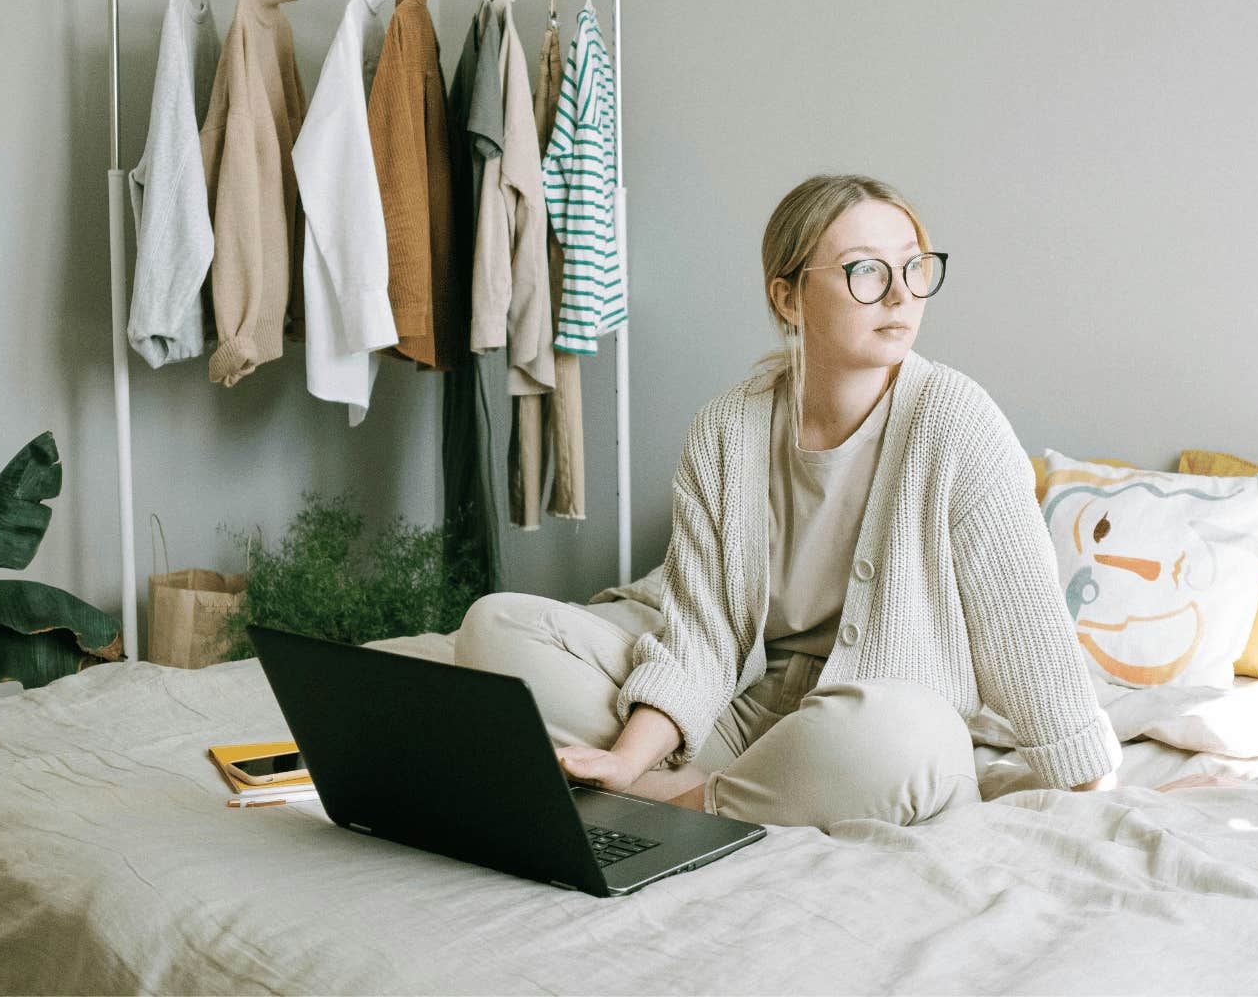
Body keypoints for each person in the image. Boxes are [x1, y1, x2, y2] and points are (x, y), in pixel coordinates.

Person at [454, 173, 1121, 832]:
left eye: (915, 267)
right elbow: (702, 631)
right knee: (496, 627)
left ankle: (694, 800)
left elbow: (1024, 629)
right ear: (790, 297)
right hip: (741, 711)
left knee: (906, 737)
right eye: (866, 270)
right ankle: (715, 784)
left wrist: (1094, 781)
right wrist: (627, 759)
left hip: (867, 724)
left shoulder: (955, 419)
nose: (900, 294)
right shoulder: (727, 427)